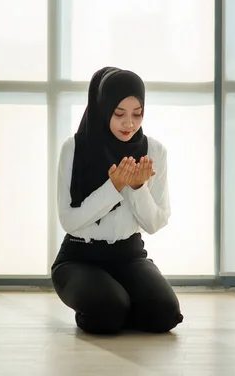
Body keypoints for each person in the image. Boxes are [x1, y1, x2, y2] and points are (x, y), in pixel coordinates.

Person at [50, 66, 183, 335]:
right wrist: (114, 187)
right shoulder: (74, 149)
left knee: (165, 316)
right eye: (119, 113)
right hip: (79, 257)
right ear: (102, 108)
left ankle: (119, 302)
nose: (129, 123)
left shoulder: (154, 152)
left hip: (129, 256)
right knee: (107, 314)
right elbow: (69, 220)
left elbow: (155, 223)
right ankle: (111, 304)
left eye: (138, 113)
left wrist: (136, 187)